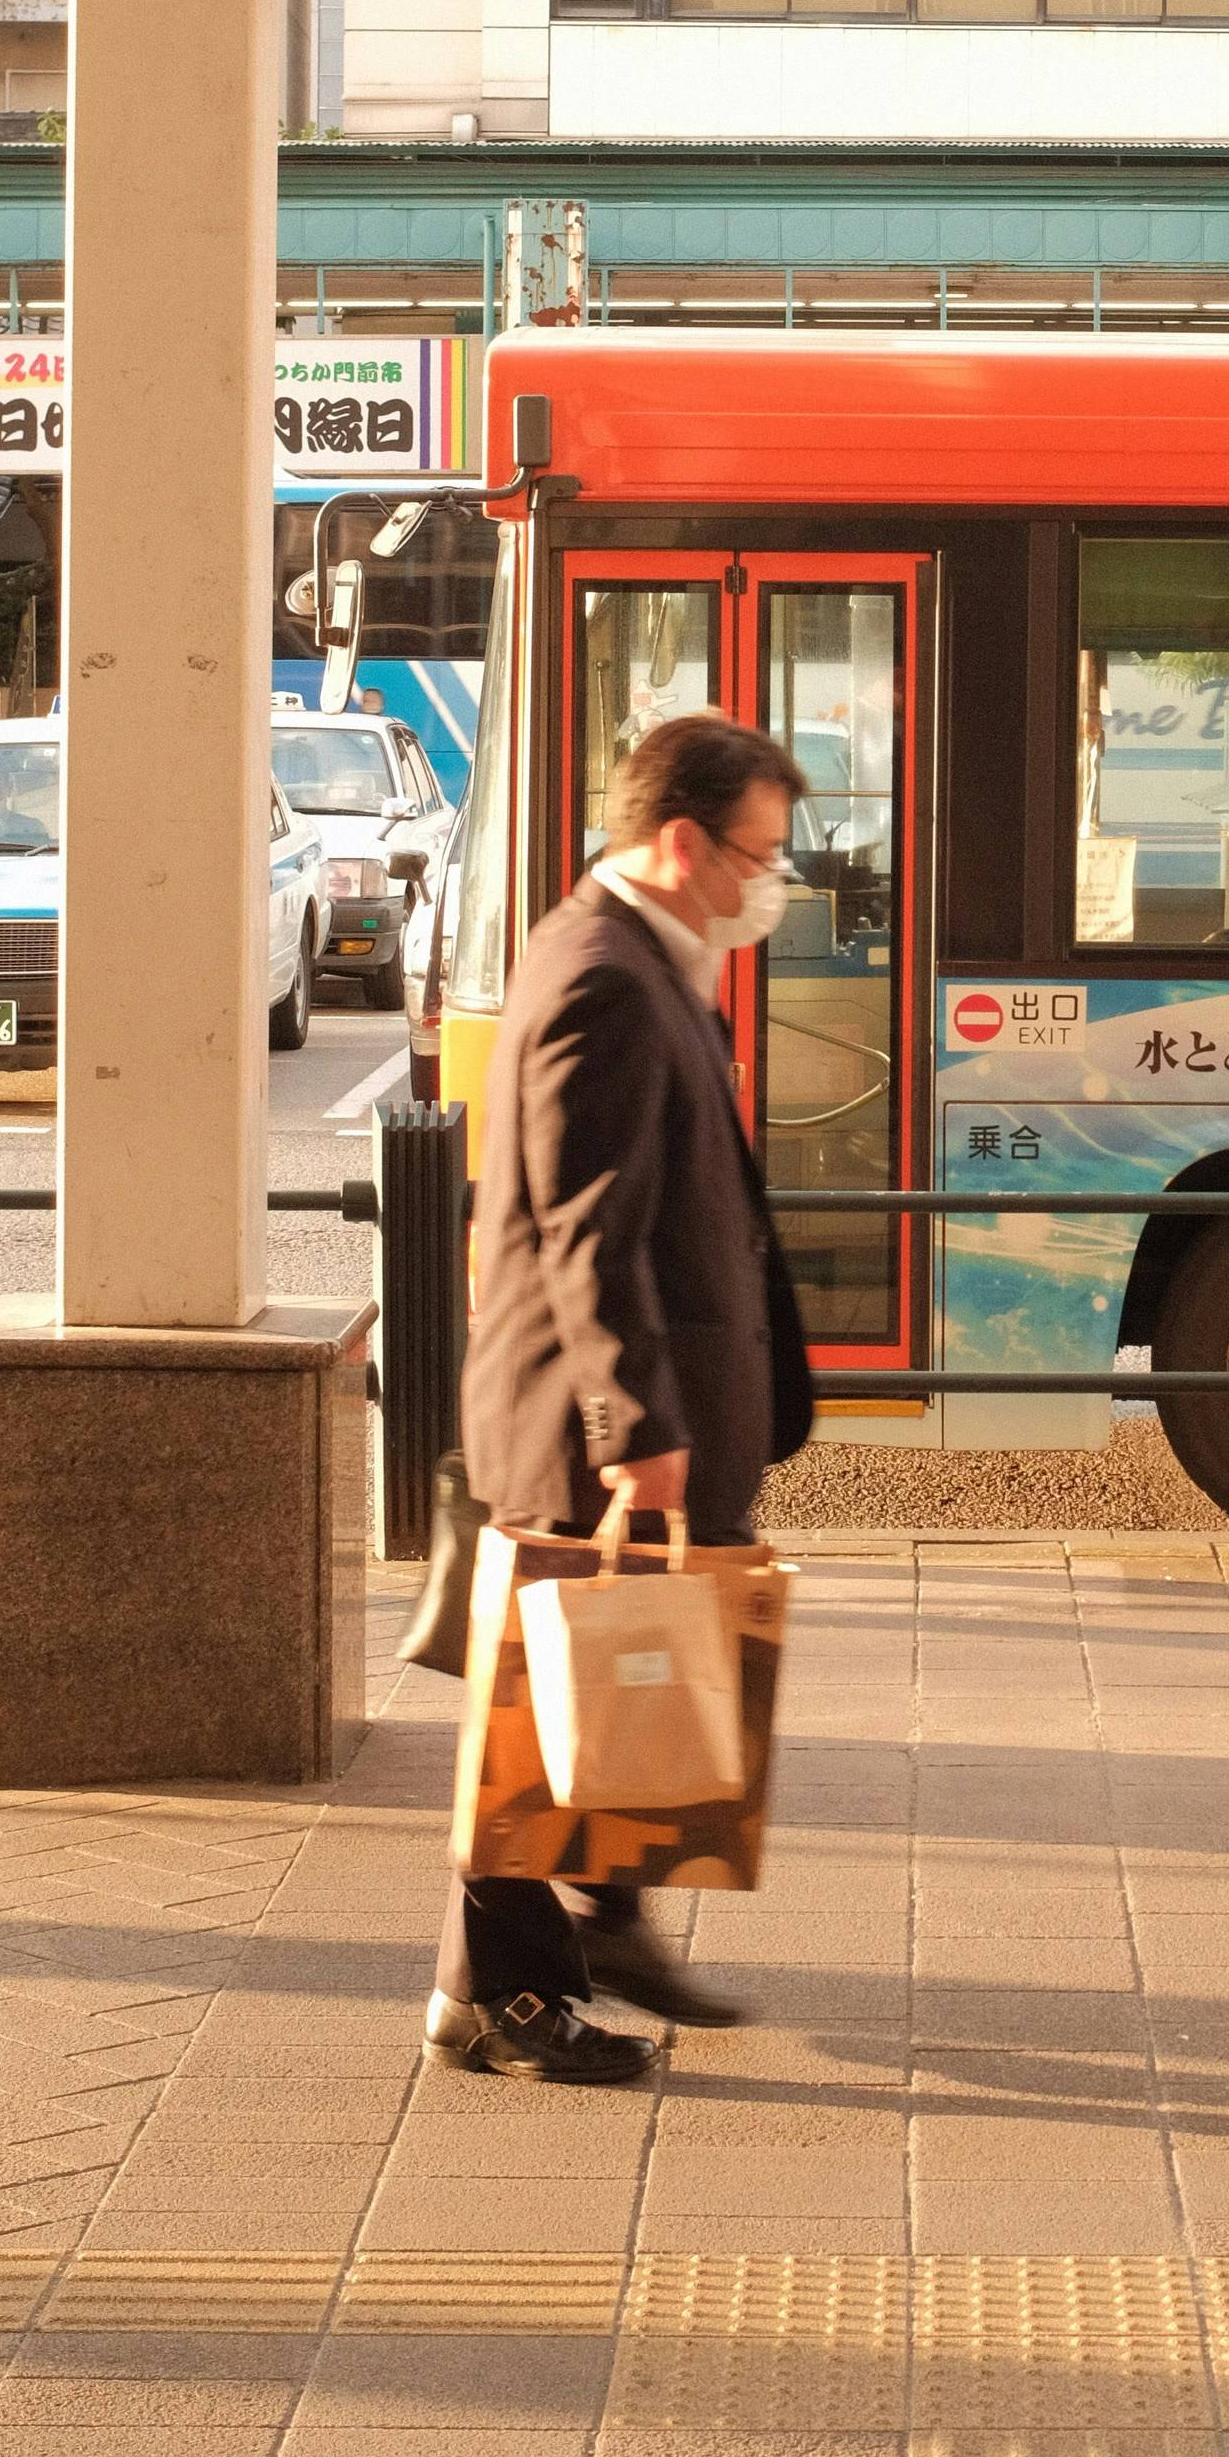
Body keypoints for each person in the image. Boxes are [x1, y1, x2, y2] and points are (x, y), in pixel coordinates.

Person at [426, 707, 816, 2084]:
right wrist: (636, 1435)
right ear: (680, 840)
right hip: (592, 1421)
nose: (770, 883)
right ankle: (502, 2004)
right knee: (538, 1714)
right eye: (757, 857)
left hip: (632, 1409)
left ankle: (613, 1919)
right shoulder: (606, 974)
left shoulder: (632, 950)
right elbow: (590, 1233)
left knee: (618, 1678)